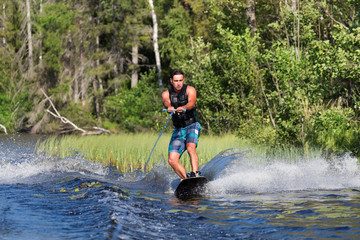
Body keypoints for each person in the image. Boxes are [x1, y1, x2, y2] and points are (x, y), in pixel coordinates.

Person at [161, 69, 202, 179]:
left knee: (190, 148)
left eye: (181, 80)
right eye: (176, 81)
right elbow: (166, 102)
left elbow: (192, 103)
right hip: (179, 129)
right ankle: (186, 180)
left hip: (192, 125)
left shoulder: (190, 90)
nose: (178, 83)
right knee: (172, 160)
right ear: (171, 81)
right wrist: (169, 107)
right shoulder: (166, 94)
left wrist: (183, 108)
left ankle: (195, 173)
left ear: (183, 80)